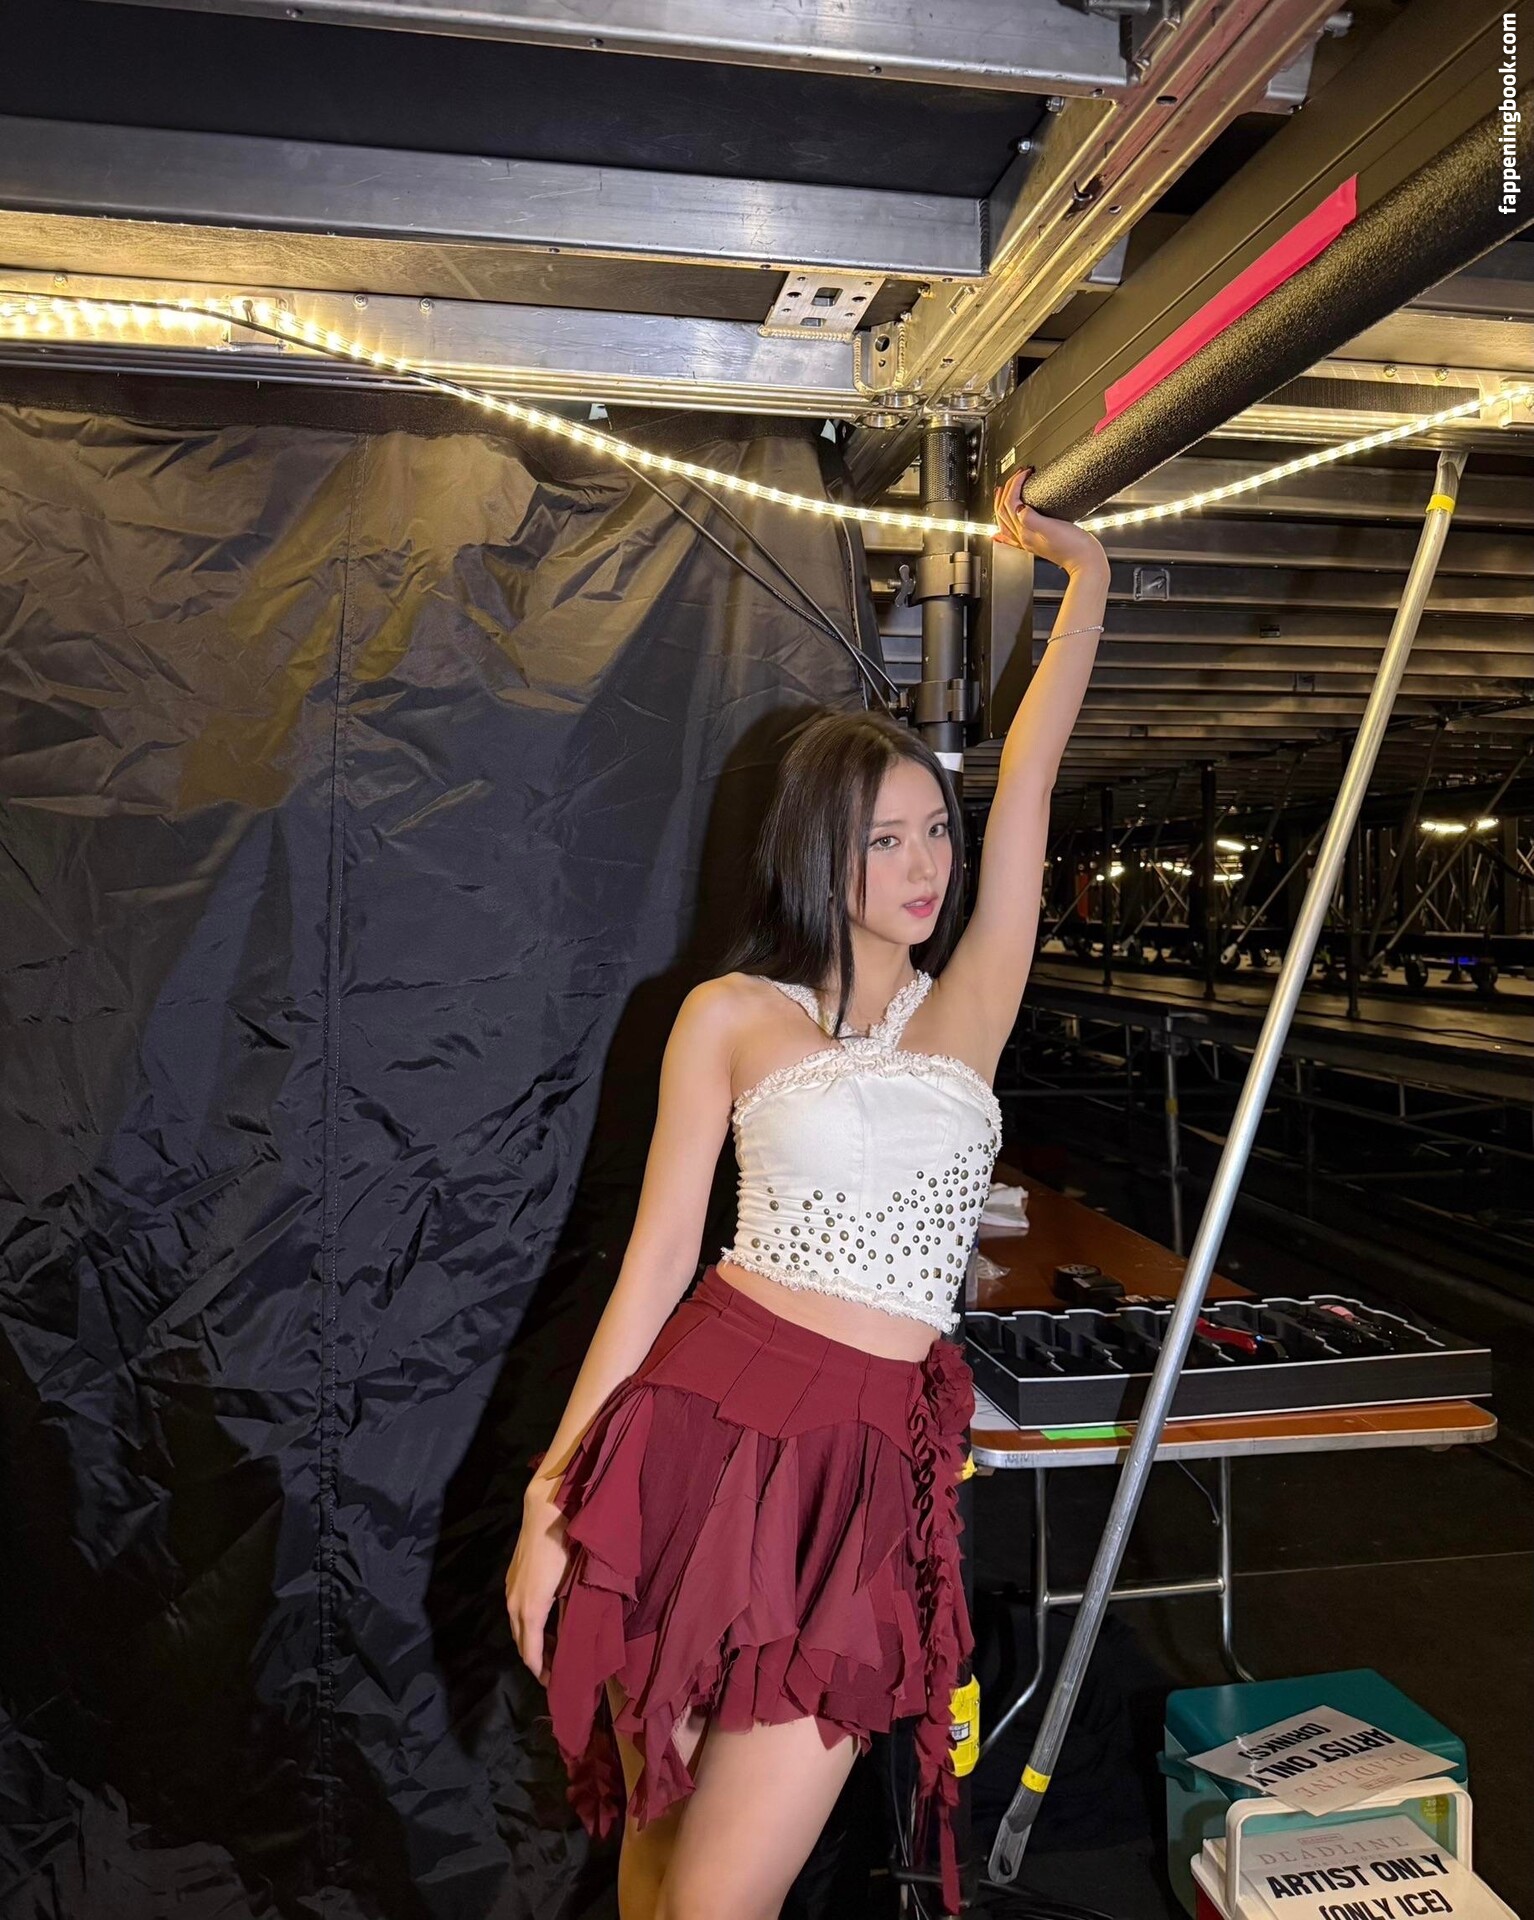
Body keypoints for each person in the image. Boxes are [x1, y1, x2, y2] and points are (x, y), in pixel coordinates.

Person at [504, 470, 1109, 1920]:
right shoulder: (727, 1014)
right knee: (660, 1854)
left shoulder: (966, 1009)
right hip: (700, 1429)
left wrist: (1084, 581)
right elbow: (656, 1264)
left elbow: (1029, 781)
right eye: (881, 838)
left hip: (860, 1468)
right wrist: (548, 1499)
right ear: (816, 853)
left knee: (723, 1891)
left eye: (931, 831)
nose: (920, 864)